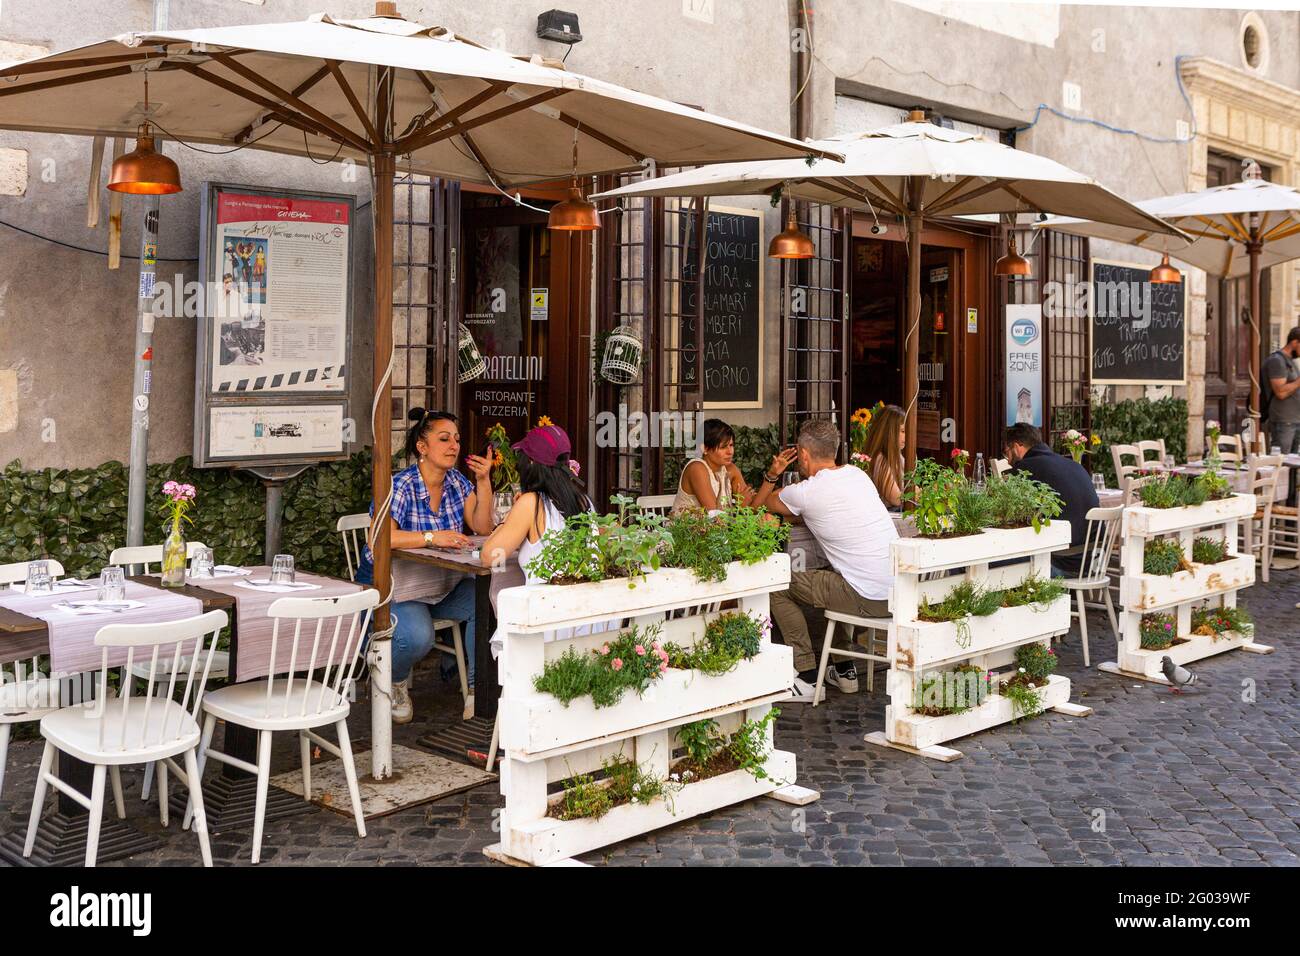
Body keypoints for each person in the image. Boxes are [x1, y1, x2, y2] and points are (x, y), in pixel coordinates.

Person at [356, 408, 495, 723]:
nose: (453, 446)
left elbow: (483, 527)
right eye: (444, 439)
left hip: (439, 586)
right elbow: (379, 538)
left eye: (457, 440)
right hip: (395, 589)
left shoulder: (458, 483)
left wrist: (484, 482)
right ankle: (394, 679)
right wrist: (432, 537)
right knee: (418, 637)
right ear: (422, 446)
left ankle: (476, 692)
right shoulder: (401, 485)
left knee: (485, 600)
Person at [756, 419, 898, 702]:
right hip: (898, 593)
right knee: (830, 575)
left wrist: (773, 475)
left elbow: (759, 506)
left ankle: (807, 676)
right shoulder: (858, 475)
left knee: (775, 584)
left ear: (803, 454)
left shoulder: (806, 492)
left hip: (868, 597)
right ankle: (843, 670)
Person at [481, 423, 611, 652]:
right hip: (586, 623)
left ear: (530, 463)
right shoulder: (583, 501)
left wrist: (510, 516)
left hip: (546, 625)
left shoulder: (532, 503)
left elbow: (491, 556)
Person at [1002, 422, 1098, 577]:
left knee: (997, 559)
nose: (1007, 460)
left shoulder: (1025, 468)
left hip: (1064, 564)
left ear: (1017, 446)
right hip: (1094, 561)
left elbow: (1006, 512)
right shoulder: (1073, 465)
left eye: (1007, 452)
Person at [673, 418, 775, 514]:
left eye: (731, 445)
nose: (730, 452)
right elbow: (714, 516)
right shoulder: (696, 468)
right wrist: (739, 508)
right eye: (723, 447)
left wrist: (772, 475)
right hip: (686, 531)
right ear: (705, 449)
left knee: (768, 519)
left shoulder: (730, 469)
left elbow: (753, 510)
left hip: (718, 530)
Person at [860, 403, 907, 508]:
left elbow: (912, 489)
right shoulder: (879, 459)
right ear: (889, 432)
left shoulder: (898, 456)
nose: (907, 435)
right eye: (903, 431)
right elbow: (896, 499)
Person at [1263, 326, 1300, 455]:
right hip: (1284, 421)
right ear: (1295, 342)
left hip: (1294, 419)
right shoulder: (1277, 361)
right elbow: (1280, 392)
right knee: (1281, 463)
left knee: (1294, 466)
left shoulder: (1291, 361)